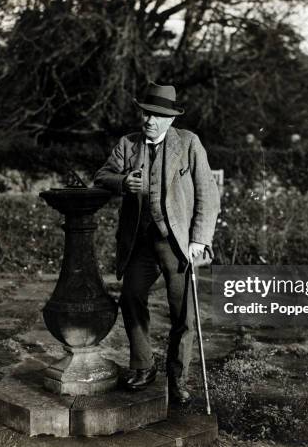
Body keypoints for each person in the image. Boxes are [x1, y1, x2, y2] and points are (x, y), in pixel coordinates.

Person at [94, 82, 220, 404]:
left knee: (183, 315)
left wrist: (198, 240)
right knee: (131, 298)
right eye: (146, 113)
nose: (149, 120)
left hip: (177, 244)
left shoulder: (189, 144)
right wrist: (123, 181)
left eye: (157, 116)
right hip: (140, 243)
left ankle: (177, 378)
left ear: (171, 120)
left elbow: (208, 195)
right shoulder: (128, 144)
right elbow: (101, 177)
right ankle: (143, 366)